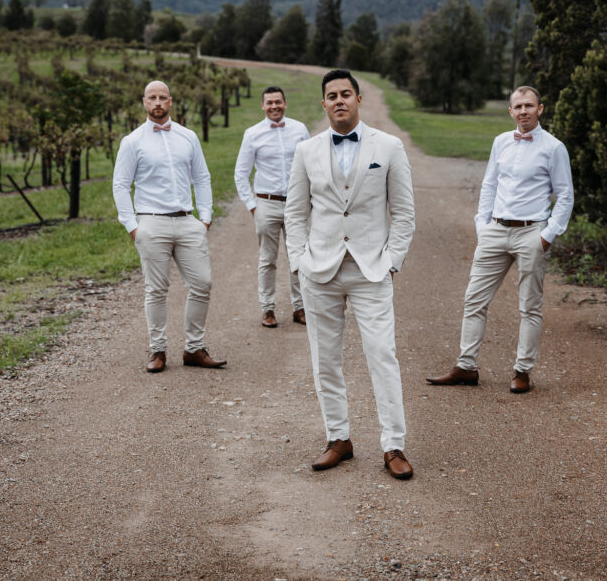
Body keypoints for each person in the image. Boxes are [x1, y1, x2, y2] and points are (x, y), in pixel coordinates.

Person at [285, 69, 416, 480]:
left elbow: (405, 213)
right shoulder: (306, 150)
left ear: (359, 99)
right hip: (319, 270)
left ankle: (393, 445)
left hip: (370, 270)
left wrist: (391, 260)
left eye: (346, 93)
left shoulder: (389, 147)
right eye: (331, 95)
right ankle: (338, 438)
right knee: (325, 360)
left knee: (382, 356)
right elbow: (294, 212)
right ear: (323, 104)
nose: (339, 100)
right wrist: (298, 261)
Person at [426, 86, 573, 393]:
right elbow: (489, 184)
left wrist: (547, 235)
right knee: (474, 299)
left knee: (529, 306)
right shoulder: (500, 142)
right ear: (510, 111)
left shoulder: (554, 148)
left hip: (532, 232)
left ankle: (522, 371)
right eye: (517, 106)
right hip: (495, 230)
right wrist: (483, 225)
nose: (523, 111)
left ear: (540, 109)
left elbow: (565, 195)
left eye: (529, 105)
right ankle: (466, 367)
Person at [112, 80, 227, 374]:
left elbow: (202, 177)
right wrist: (132, 226)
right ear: (144, 102)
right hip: (151, 222)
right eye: (152, 97)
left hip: (188, 221)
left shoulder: (188, 137)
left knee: (202, 284)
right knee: (156, 289)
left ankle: (194, 348)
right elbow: (121, 185)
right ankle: (158, 350)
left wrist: (205, 218)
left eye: (163, 97)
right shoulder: (132, 141)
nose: (158, 102)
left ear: (171, 101)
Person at [234, 86, 310, 328]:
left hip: (296, 204)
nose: (274, 106)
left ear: (285, 103)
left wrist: (310, 199)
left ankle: (300, 307)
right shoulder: (252, 134)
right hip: (266, 203)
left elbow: (311, 166)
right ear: (262, 106)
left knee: (298, 257)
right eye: (269, 103)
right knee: (268, 259)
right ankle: (267, 309)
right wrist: (253, 206)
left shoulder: (299, 130)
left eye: (278, 102)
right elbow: (241, 173)